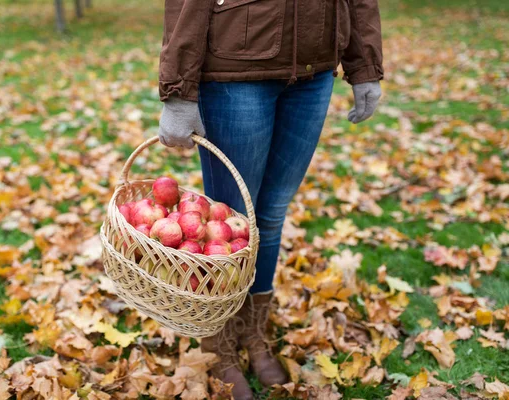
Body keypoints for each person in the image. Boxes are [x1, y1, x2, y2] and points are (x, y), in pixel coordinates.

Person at [158, 0, 383, 398]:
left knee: (272, 215)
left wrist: (364, 62)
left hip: (315, 67)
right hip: (235, 67)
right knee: (228, 223)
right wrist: (179, 87)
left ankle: (253, 331)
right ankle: (219, 341)